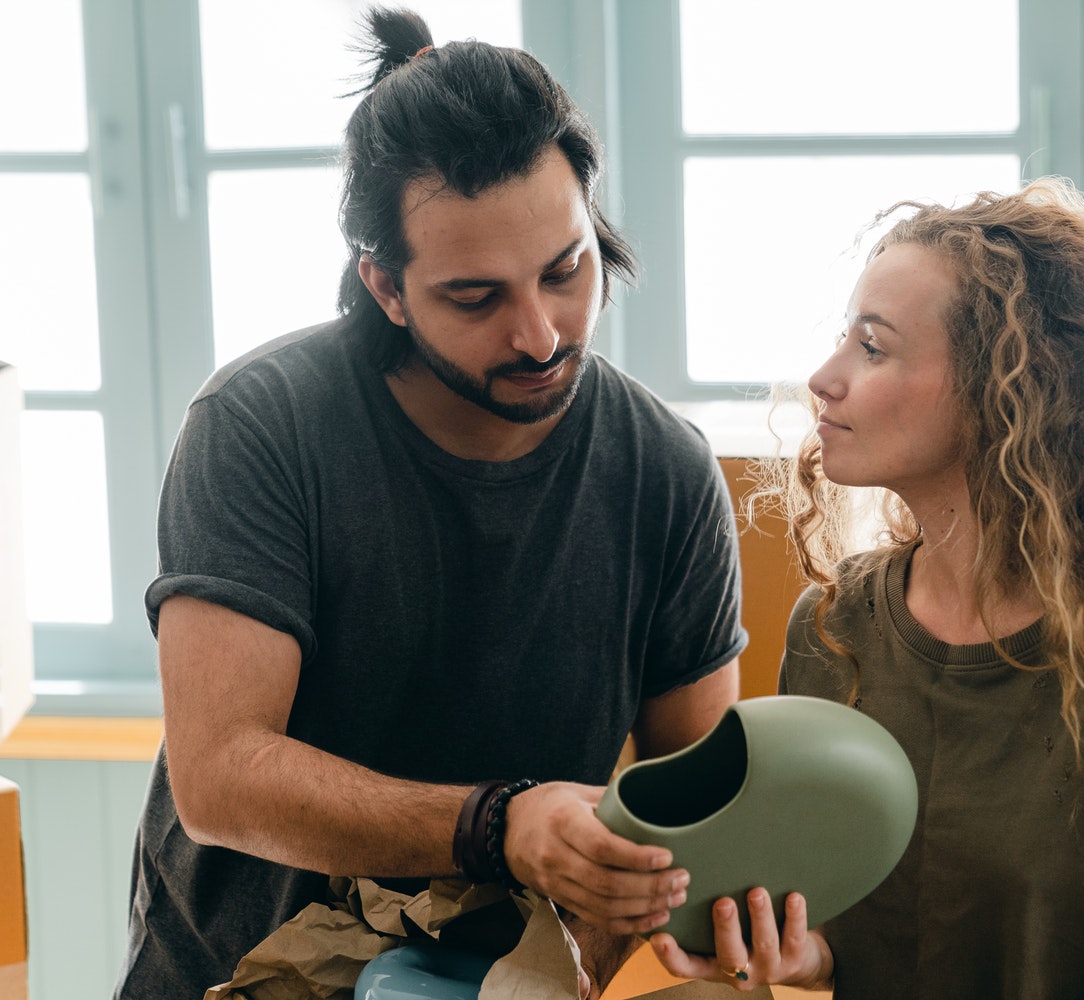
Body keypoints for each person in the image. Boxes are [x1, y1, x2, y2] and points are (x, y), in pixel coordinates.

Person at [114, 8, 746, 998]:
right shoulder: (259, 424)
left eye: (564, 270)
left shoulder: (664, 468)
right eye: (474, 296)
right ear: (385, 286)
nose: (539, 334)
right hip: (234, 974)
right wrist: (501, 825)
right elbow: (221, 775)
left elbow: (701, 817)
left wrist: (755, 931)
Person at [650, 178, 1084, 997]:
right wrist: (809, 954)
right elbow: (867, 926)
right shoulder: (834, 628)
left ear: (1007, 392)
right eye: (842, 340)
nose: (824, 378)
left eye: (874, 347)